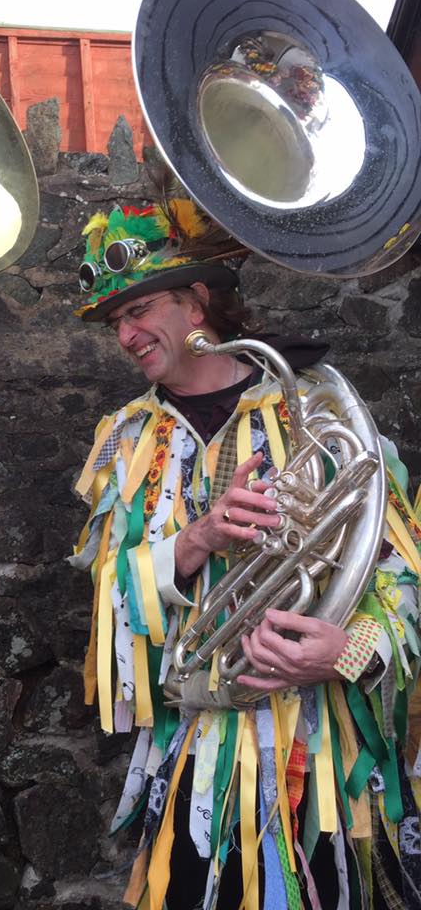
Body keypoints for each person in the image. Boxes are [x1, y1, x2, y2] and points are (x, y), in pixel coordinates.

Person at [69, 198, 421, 909]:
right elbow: (110, 601)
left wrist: (346, 652)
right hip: (196, 754)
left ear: (198, 302)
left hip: (326, 753)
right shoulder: (121, 439)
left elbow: (401, 577)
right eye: (115, 324)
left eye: (140, 310)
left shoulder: (319, 408)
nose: (127, 334)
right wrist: (195, 541)